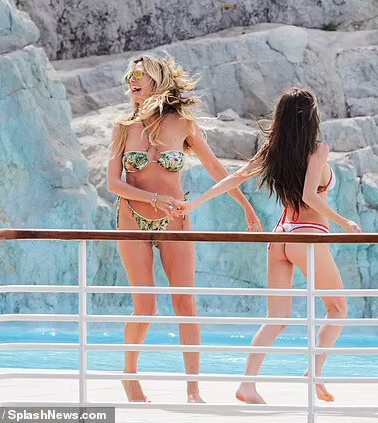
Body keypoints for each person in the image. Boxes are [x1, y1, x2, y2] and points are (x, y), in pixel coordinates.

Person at [175, 87, 362, 404]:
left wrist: (194, 204)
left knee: (276, 317)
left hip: (280, 236)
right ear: (312, 117)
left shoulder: (273, 151)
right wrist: (345, 222)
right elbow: (310, 197)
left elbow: (235, 177)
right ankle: (314, 372)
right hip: (307, 235)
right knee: (337, 308)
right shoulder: (318, 150)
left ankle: (247, 385)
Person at [106, 53, 262, 403]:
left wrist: (246, 206)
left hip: (175, 220)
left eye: (140, 75)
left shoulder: (183, 124)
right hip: (131, 219)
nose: (132, 81)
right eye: (130, 76)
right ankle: (130, 377)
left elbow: (217, 169)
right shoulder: (123, 127)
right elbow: (113, 184)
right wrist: (153, 197)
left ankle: (193, 390)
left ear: (157, 81)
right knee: (145, 306)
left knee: (185, 304)